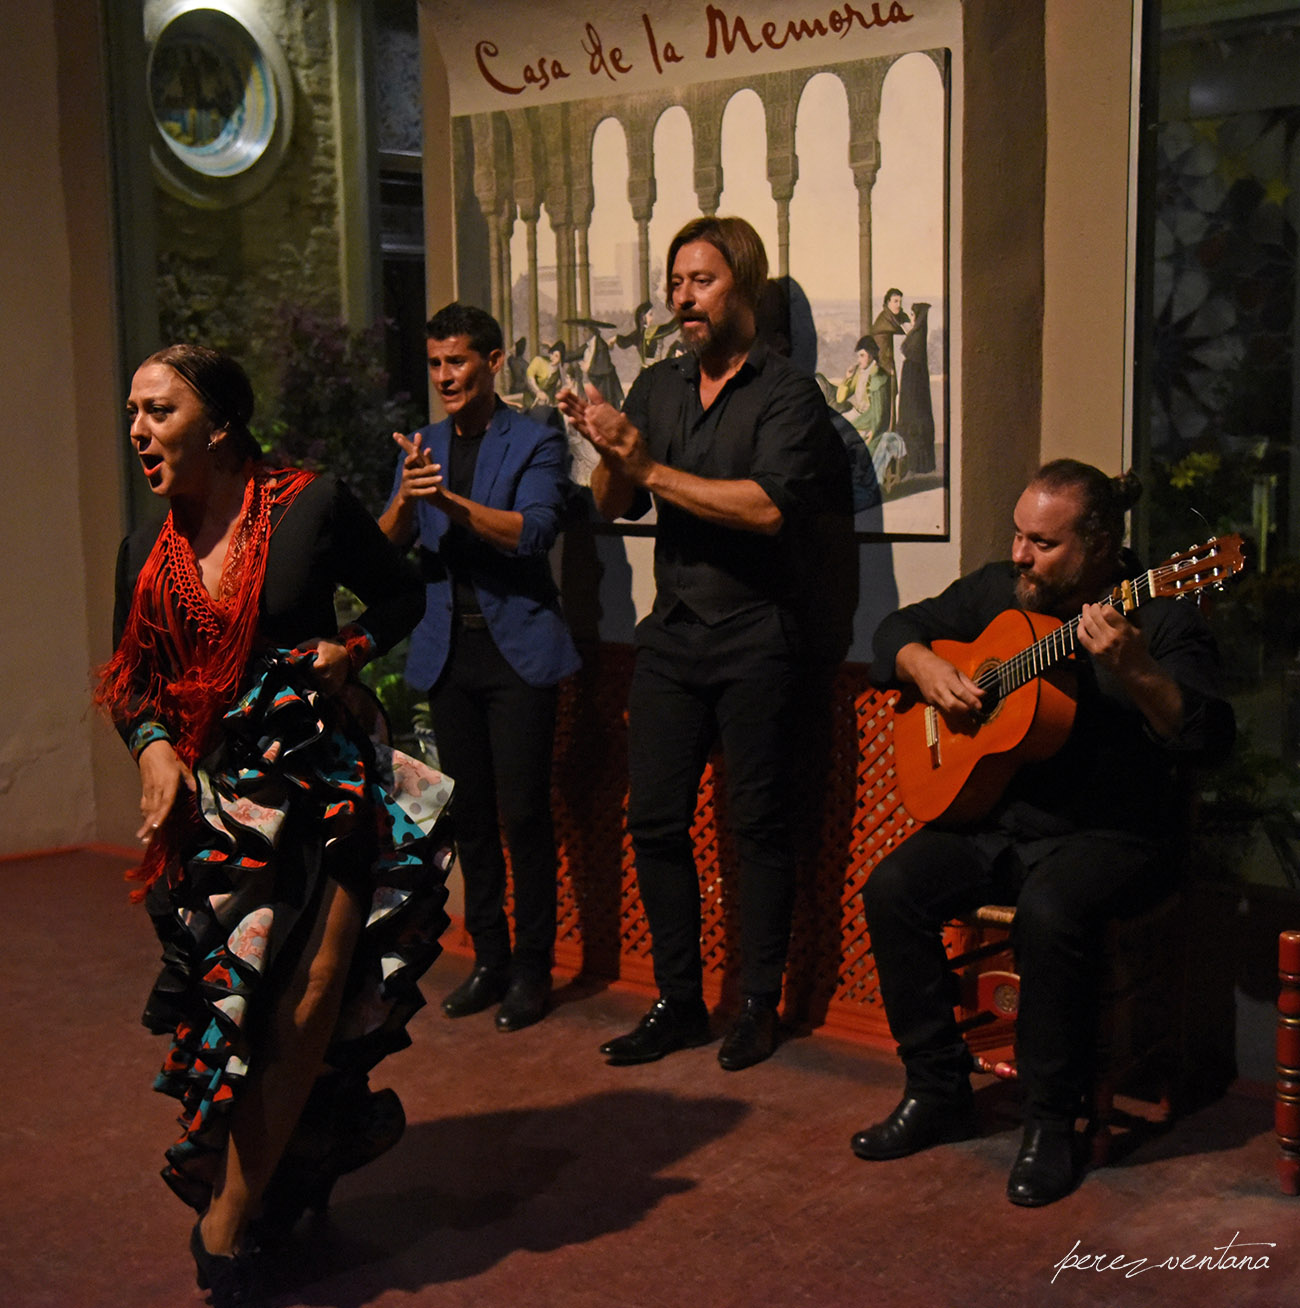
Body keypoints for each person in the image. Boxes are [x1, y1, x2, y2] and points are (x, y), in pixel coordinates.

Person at [96, 345, 453, 1305]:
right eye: (132, 411)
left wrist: (354, 650)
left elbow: (401, 592)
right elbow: (129, 683)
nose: (138, 429)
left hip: (323, 786)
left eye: (158, 411)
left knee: (317, 986)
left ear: (217, 422)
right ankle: (289, 1173)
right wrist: (155, 751)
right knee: (242, 1014)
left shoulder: (311, 505)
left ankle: (225, 1230)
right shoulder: (145, 549)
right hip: (217, 811)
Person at [853, 459, 1234, 1205]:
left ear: (1096, 547)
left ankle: (1050, 1122)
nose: (1021, 554)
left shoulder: (1158, 615)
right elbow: (898, 629)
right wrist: (923, 665)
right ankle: (937, 1089)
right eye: (1018, 535)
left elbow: (1209, 739)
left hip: (1114, 835)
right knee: (892, 887)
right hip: (1002, 824)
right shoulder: (1001, 590)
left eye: (1043, 543)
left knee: (1053, 912)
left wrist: (1139, 671)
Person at [559, 216, 846, 1072]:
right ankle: (680, 1001)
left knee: (756, 826)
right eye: (676, 281)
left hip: (762, 636)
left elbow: (765, 510)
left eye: (702, 281)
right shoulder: (658, 384)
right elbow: (614, 507)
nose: (683, 297)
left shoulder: (790, 396)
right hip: (673, 636)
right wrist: (609, 449)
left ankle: (758, 1003)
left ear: (744, 288)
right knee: (654, 821)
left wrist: (647, 467)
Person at [380, 302, 580, 1034]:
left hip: (518, 652)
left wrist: (451, 502)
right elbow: (387, 543)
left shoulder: (534, 440)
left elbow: (531, 533)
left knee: (524, 816)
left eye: (457, 361)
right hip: (448, 652)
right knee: (468, 816)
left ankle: (532, 969)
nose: (444, 376)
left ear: (493, 363)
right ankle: (487, 960)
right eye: (434, 363)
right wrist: (409, 490)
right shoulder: (421, 445)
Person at [870, 287, 910, 429]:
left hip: (888, 365)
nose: (898, 304)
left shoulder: (891, 317)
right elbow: (906, 331)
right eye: (895, 301)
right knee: (886, 403)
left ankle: (890, 432)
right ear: (887, 302)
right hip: (883, 367)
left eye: (900, 301)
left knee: (891, 401)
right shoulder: (885, 321)